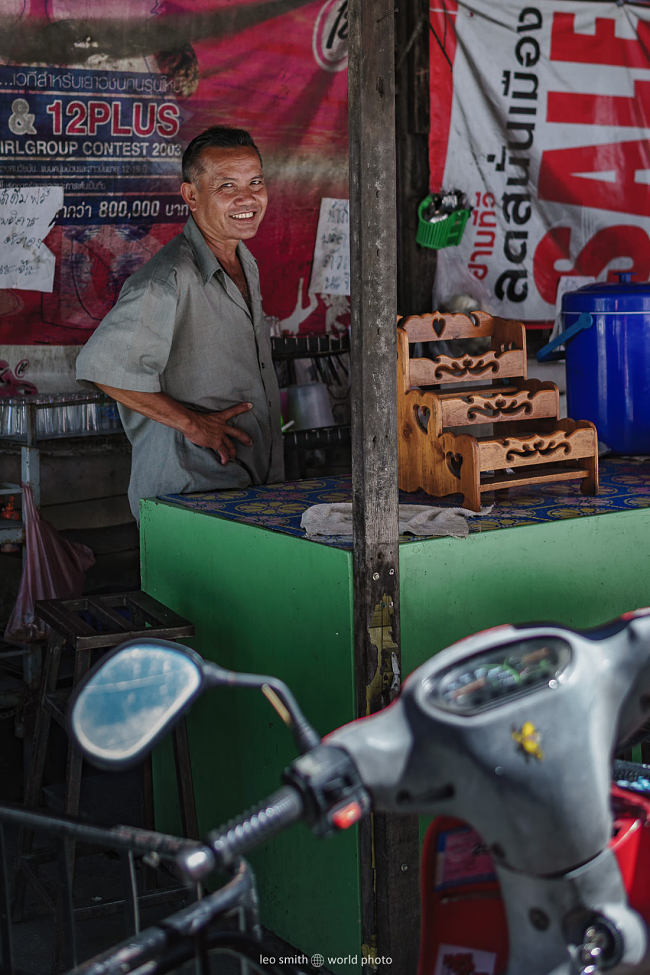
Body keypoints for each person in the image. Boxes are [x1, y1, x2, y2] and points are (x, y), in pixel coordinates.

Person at [76, 126, 284, 520]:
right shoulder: (169, 277)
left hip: (245, 485)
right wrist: (193, 424)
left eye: (255, 182)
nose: (248, 198)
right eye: (227, 186)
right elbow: (101, 367)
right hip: (189, 492)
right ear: (191, 195)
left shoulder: (245, 263)